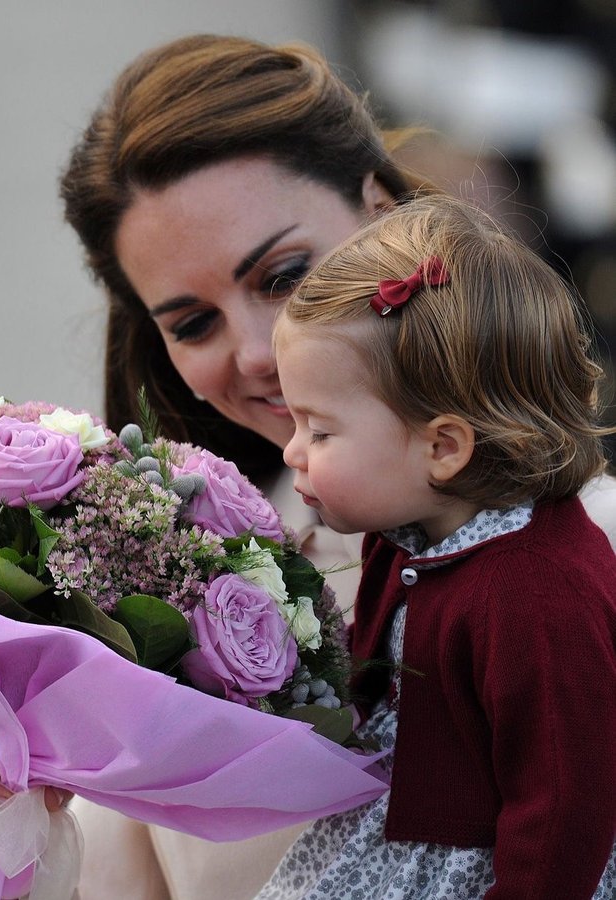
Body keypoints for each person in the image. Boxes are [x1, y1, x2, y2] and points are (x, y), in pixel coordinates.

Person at [0, 33, 614, 900]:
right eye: (191, 324)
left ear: (383, 213)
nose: (257, 353)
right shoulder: (166, 591)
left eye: (285, 273)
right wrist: (6, 788)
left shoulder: (568, 554)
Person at [262, 194, 616, 899]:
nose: (293, 452)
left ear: (442, 446)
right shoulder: (413, 534)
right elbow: (390, 657)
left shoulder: (535, 593)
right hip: (396, 829)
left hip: (483, 866)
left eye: (319, 430)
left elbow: (566, 802)